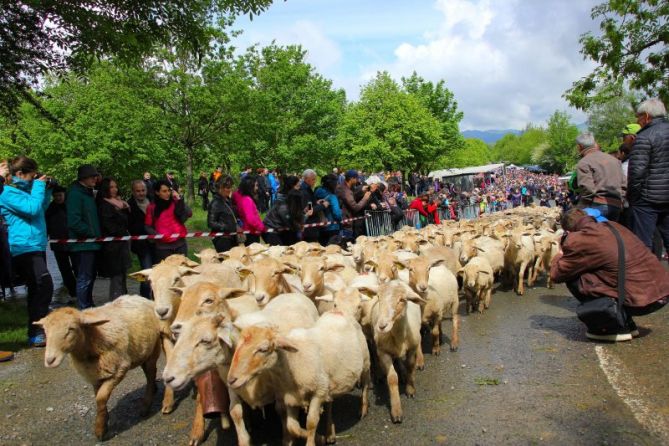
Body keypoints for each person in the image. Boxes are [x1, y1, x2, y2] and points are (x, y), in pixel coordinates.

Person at [550, 208, 669, 341]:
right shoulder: (614, 225)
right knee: (615, 270)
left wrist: (560, 253)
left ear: (569, 230)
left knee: (573, 277)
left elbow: (556, 274)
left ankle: (611, 327)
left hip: (641, 301)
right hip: (661, 294)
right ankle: (627, 322)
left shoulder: (580, 239)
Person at [0, 156, 53, 347]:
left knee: (37, 289)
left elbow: (40, 208)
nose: (34, 179)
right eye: (32, 176)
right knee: (44, 284)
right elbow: (31, 209)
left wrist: (47, 190)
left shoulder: (26, 192)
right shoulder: (7, 193)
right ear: (20, 174)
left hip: (36, 245)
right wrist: (39, 187)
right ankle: (37, 329)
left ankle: (35, 332)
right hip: (23, 247)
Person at [627, 98, 669, 253]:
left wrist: (633, 198)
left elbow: (637, 172)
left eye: (638, 117)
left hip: (648, 199)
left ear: (646, 116)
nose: (638, 121)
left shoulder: (644, 137)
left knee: (643, 245)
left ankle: (648, 276)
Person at [67, 164, 102, 310]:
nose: (95, 178)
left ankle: (89, 305)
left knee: (90, 277)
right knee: (84, 278)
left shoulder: (87, 193)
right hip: (82, 245)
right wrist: (92, 233)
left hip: (91, 243)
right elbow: (74, 222)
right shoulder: (75, 194)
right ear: (84, 178)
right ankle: (83, 308)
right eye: (92, 176)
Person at [574, 132, 624, 221]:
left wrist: (580, 208)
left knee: (594, 233)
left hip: (598, 205)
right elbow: (624, 184)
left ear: (579, 147)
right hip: (617, 204)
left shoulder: (584, 162)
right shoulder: (614, 160)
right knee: (611, 233)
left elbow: (588, 189)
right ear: (595, 143)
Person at [97, 177, 131, 299]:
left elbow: (127, 222)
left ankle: (124, 300)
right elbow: (109, 226)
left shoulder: (120, 203)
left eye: (115, 186)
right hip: (112, 246)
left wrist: (124, 209)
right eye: (111, 187)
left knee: (122, 275)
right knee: (116, 276)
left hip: (121, 244)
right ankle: (115, 302)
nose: (114, 189)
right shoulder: (104, 205)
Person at [145, 180, 191, 262]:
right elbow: (147, 226)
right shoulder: (151, 207)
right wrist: (158, 236)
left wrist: (179, 199)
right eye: (164, 191)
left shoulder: (176, 202)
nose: (168, 193)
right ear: (157, 192)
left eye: (169, 190)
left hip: (180, 244)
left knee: (183, 270)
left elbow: (189, 213)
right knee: (167, 272)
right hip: (163, 248)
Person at [45, 185, 76, 302]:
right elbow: (47, 226)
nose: (58, 198)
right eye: (56, 196)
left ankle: (81, 291)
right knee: (65, 270)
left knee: (77, 267)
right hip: (57, 245)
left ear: (64, 194)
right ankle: (73, 292)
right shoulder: (50, 209)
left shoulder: (70, 206)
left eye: (60, 195)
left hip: (73, 242)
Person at [128, 180, 154, 298]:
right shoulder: (129, 205)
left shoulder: (153, 201)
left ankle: (155, 297)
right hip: (141, 245)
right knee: (146, 271)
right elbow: (130, 226)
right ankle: (144, 297)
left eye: (143, 190)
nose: (141, 193)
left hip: (157, 243)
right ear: (133, 192)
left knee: (157, 272)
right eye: (138, 191)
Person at [263, 176, 304, 246]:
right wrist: (299, 225)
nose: (299, 188)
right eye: (297, 186)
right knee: (279, 251)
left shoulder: (290, 200)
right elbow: (289, 220)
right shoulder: (284, 206)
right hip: (271, 229)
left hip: (281, 228)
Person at [336, 170, 375, 239]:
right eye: (356, 178)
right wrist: (365, 198)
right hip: (345, 223)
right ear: (351, 179)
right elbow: (355, 207)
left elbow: (352, 195)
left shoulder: (345, 187)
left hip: (347, 221)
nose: (358, 180)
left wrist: (361, 190)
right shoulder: (345, 190)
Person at [207, 175, 239, 253]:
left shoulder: (227, 200)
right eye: (227, 188)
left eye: (230, 187)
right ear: (220, 188)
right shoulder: (215, 203)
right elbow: (210, 223)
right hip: (222, 239)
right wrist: (226, 227)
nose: (230, 190)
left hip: (232, 237)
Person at [232, 175, 265, 245]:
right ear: (250, 187)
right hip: (251, 233)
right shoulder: (247, 200)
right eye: (256, 186)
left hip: (251, 231)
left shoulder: (245, 199)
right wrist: (261, 227)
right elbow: (251, 219)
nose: (257, 188)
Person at [300, 169, 329, 243]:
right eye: (313, 179)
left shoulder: (306, 189)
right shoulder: (305, 191)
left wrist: (316, 202)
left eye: (315, 179)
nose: (314, 182)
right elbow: (309, 210)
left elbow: (309, 204)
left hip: (310, 225)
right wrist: (323, 206)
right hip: (309, 226)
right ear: (306, 179)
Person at [315, 173, 343, 246]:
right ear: (333, 184)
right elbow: (337, 214)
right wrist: (341, 214)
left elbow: (310, 205)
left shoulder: (316, 192)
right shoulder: (332, 197)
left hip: (319, 226)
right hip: (332, 228)